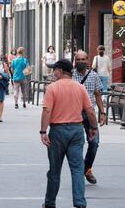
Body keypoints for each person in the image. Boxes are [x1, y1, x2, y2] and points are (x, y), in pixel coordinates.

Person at [40, 59, 97, 208]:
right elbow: (90, 110)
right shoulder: (80, 88)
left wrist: (43, 131)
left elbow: (47, 110)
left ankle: (50, 203)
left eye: (54, 70)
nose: (53, 72)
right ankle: (79, 202)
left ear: (60, 70)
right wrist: (94, 128)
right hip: (76, 131)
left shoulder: (52, 88)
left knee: (54, 170)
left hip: (57, 131)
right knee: (77, 169)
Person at [73, 50, 106, 184]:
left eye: (83, 59)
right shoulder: (69, 75)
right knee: (77, 144)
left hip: (89, 115)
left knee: (94, 143)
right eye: (78, 59)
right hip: (74, 115)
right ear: (75, 60)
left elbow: (98, 95)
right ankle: (81, 169)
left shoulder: (94, 76)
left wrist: (102, 113)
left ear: (87, 60)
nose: (81, 61)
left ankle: (87, 168)